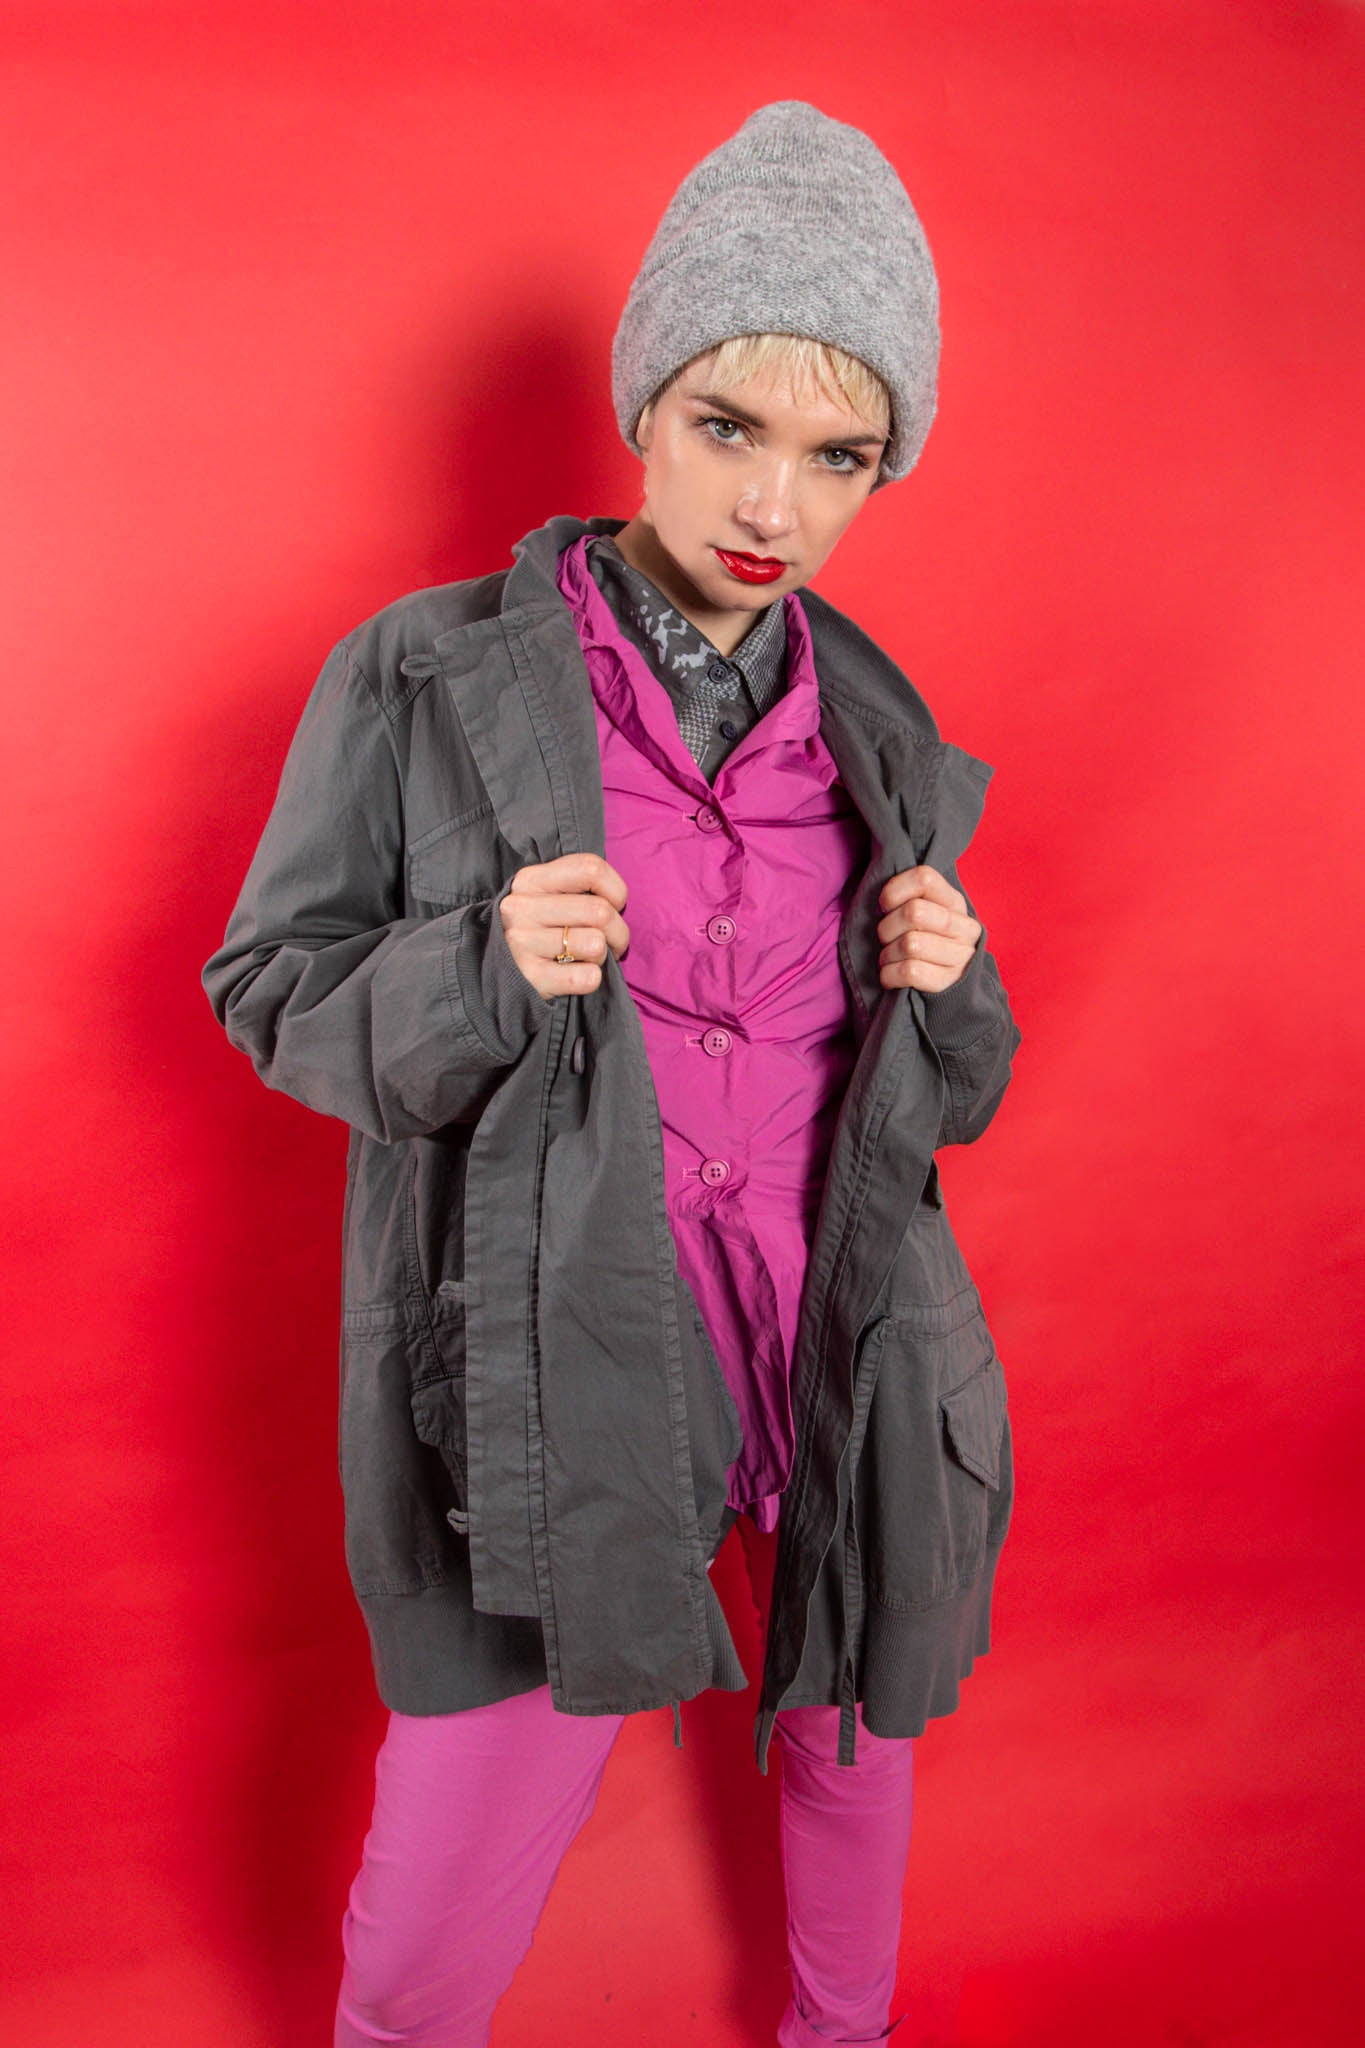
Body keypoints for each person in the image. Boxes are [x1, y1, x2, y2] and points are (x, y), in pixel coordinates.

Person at [203, 99, 1021, 2048]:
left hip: (836, 1333)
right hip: (553, 1341)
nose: (773, 505)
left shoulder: (883, 728)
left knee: (848, 1745)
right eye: (728, 426)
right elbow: (267, 989)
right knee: (451, 1871)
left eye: (838, 456)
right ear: (644, 401)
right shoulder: (417, 675)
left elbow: (940, 1108)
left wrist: (952, 990)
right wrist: (478, 966)